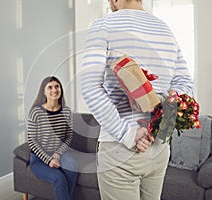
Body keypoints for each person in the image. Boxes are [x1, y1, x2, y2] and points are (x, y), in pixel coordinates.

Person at [81, 0, 194, 199]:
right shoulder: (164, 29)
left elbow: (90, 88)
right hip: (158, 148)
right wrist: (162, 124)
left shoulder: (102, 26)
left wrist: (128, 134)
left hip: (121, 148)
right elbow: (185, 83)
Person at [28, 76, 77, 200]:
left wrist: (58, 154)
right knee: (59, 178)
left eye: (57, 86)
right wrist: (49, 159)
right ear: (44, 92)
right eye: (50, 87)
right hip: (39, 159)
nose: (54, 90)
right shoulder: (36, 112)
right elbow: (32, 141)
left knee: (72, 168)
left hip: (59, 154)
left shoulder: (66, 111)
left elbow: (68, 136)